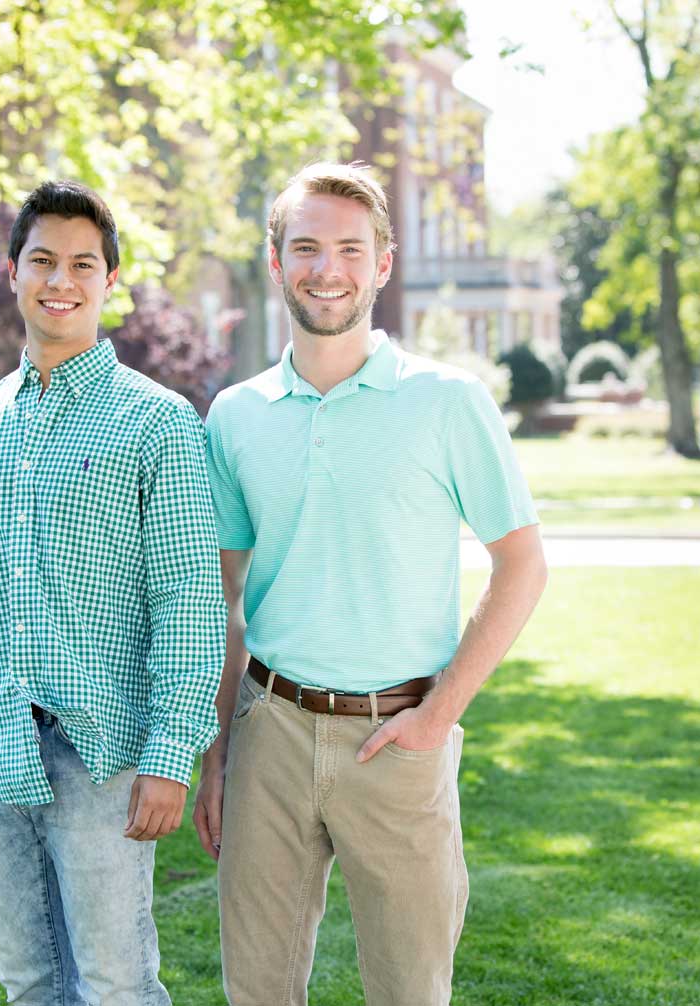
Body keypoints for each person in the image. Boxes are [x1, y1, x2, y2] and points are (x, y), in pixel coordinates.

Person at [194, 162, 548, 1006]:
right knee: (258, 992)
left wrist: (441, 714)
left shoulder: (448, 401)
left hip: (399, 740)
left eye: (351, 249)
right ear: (275, 262)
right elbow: (224, 600)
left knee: (408, 993)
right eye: (306, 247)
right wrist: (218, 752)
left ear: (383, 263)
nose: (328, 268)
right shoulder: (235, 414)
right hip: (268, 731)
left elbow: (523, 564)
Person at [0, 180, 225, 1006]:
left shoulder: (158, 422)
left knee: (116, 986)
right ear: (12, 273)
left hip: (106, 755)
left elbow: (190, 598)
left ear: (109, 281)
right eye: (42, 260)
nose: (60, 280)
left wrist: (172, 756)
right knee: (28, 984)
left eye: (82, 264)